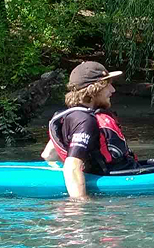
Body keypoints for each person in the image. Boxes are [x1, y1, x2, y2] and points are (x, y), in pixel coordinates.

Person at [42, 61, 137, 200]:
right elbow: (72, 166)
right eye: (107, 85)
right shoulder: (86, 121)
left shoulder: (73, 116)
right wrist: (82, 206)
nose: (113, 90)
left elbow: (48, 154)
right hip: (117, 178)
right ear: (93, 89)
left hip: (122, 171)